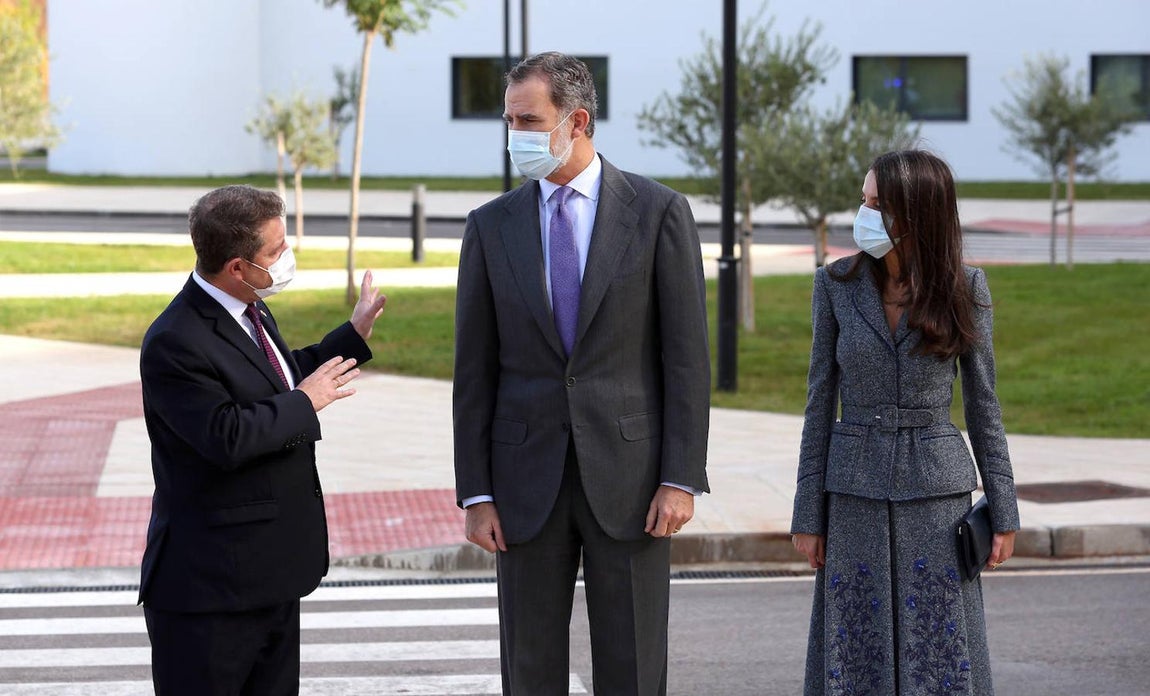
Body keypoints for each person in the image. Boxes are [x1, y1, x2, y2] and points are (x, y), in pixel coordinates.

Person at [453, 52, 711, 695]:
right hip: (522, 484)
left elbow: (685, 361)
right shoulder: (490, 226)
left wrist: (680, 478)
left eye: (529, 121)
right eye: (510, 121)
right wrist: (476, 492)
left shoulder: (658, 212)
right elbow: (473, 372)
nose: (515, 135)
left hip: (633, 482)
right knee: (529, 669)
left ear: (578, 121)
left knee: (632, 667)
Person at [137, 184, 387, 695]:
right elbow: (225, 435)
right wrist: (306, 402)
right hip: (210, 590)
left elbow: (276, 376)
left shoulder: (248, 308)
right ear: (237, 267)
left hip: (269, 576)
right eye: (276, 251)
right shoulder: (175, 340)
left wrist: (352, 336)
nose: (287, 257)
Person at [790, 150, 1021, 694]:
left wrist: (1004, 509)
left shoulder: (966, 288)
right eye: (864, 200)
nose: (864, 214)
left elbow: (984, 405)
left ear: (917, 213)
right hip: (853, 491)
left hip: (937, 496)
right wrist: (807, 512)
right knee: (855, 644)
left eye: (878, 204)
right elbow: (819, 402)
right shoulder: (834, 284)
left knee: (938, 650)